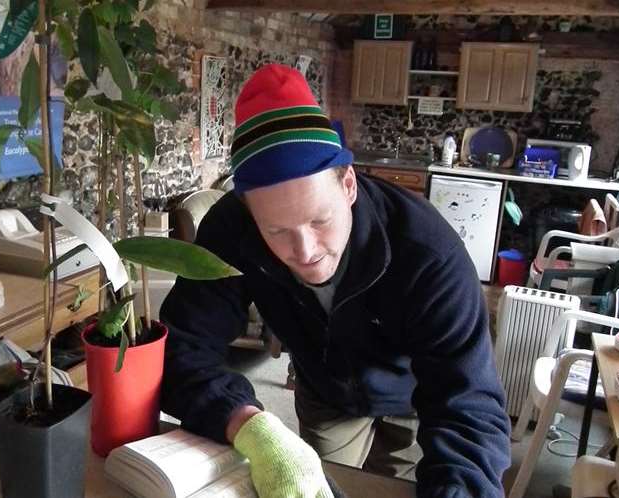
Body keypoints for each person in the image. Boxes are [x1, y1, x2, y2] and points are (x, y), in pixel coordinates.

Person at [160, 64, 511, 498]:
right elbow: (183, 346)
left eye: (319, 220)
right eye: (277, 231)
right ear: (249, 210)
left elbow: (468, 407)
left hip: (414, 397)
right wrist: (250, 425)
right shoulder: (230, 227)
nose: (305, 251)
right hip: (323, 391)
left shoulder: (428, 252)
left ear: (347, 185)